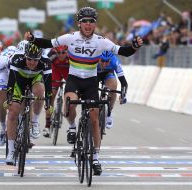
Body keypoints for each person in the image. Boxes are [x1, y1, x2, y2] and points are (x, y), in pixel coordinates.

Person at [25, 7, 143, 175]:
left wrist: (135, 46)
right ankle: (72, 127)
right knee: (69, 105)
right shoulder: (70, 38)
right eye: (85, 21)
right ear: (79, 23)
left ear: (95, 24)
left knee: (94, 117)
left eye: (91, 21)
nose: (88, 24)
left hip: (90, 83)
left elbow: (123, 51)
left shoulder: (101, 41)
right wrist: (32, 39)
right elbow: (48, 43)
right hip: (73, 80)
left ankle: (95, 157)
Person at [5, 42, 52, 165]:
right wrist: (10, 97)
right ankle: (11, 150)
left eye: (35, 60)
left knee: (40, 90)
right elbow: (11, 81)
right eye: (29, 59)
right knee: (12, 113)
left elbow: (48, 85)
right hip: (18, 81)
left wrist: (48, 100)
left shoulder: (45, 62)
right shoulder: (17, 59)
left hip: (35, 79)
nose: (32, 63)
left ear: (40, 58)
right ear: (25, 55)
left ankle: (35, 121)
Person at [0, 40, 28, 146]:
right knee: (2, 97)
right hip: (5, 75)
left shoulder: (27, 60)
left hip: (21, 74)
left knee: (26, 97)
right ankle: (3, 127)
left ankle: (25, 127)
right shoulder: (2, 61)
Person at [43, 45, 69, 137]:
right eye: (59, 53)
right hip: (55, 71)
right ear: (55, 52)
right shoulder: (51, 55)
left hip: (67, 71)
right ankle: (47, 124)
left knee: (70, 95)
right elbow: (44, 65)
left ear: (67, 52)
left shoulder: (71, 55)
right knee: (51, 96)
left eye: (63, 53)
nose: (61, 55)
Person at [97, 50, 128, 129]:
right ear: (99, 58)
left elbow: (123, 82)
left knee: (113, 88)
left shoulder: (115, 61)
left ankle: (109, 113)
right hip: (95, 73)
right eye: (102, 61)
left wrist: (123, 95)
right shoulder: (94, 58)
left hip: (108, 74)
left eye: (107, 62)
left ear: (110, 60)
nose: (104, 64)